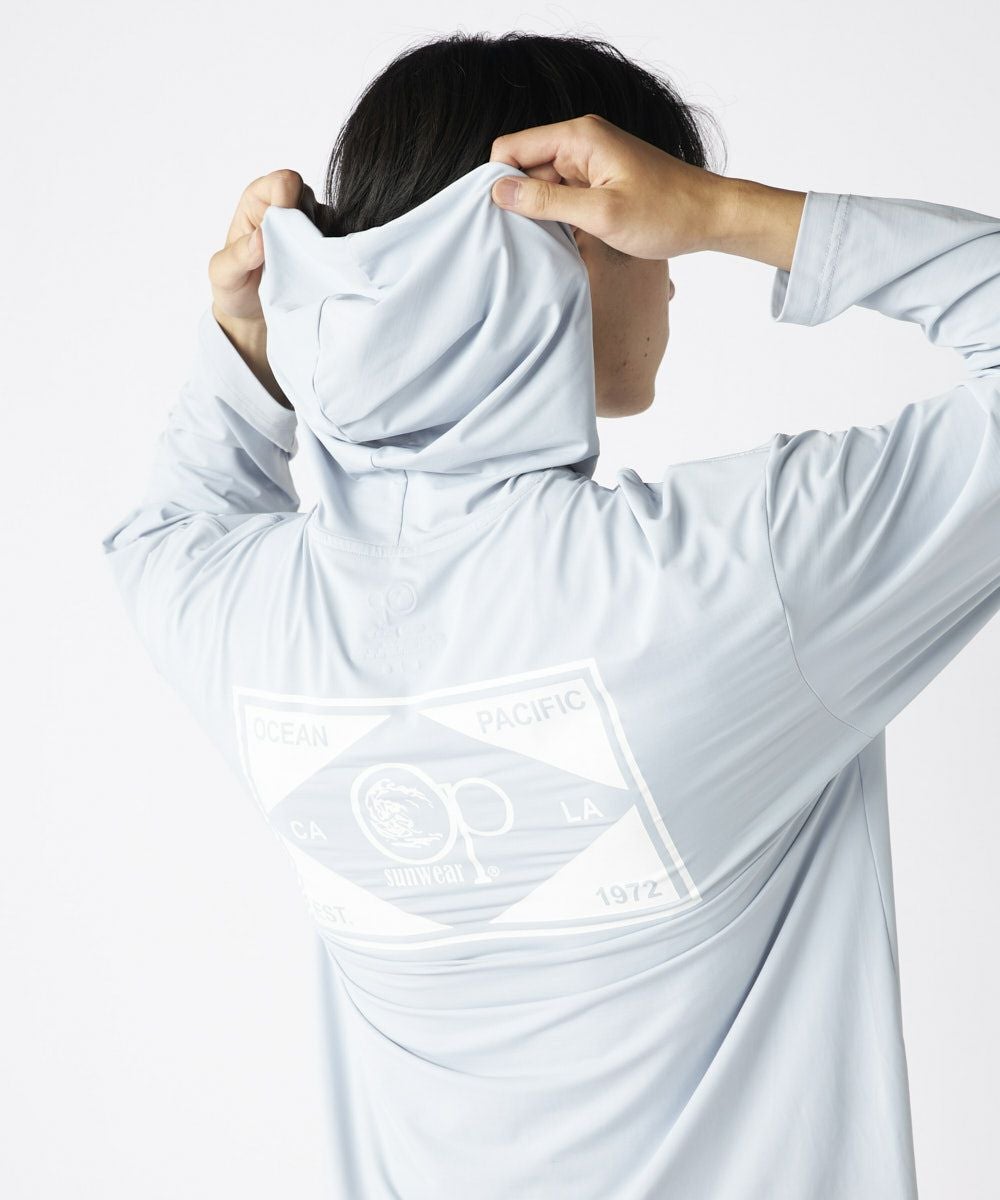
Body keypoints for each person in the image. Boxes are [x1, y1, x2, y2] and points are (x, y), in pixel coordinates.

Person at [101, 31, 1000, 1200]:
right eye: (657, 226)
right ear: (582, 228)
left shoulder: (245, 619)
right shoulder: (740, 575)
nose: (671, 270)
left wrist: (247, 349)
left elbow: (175, 523)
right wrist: (730, 214)